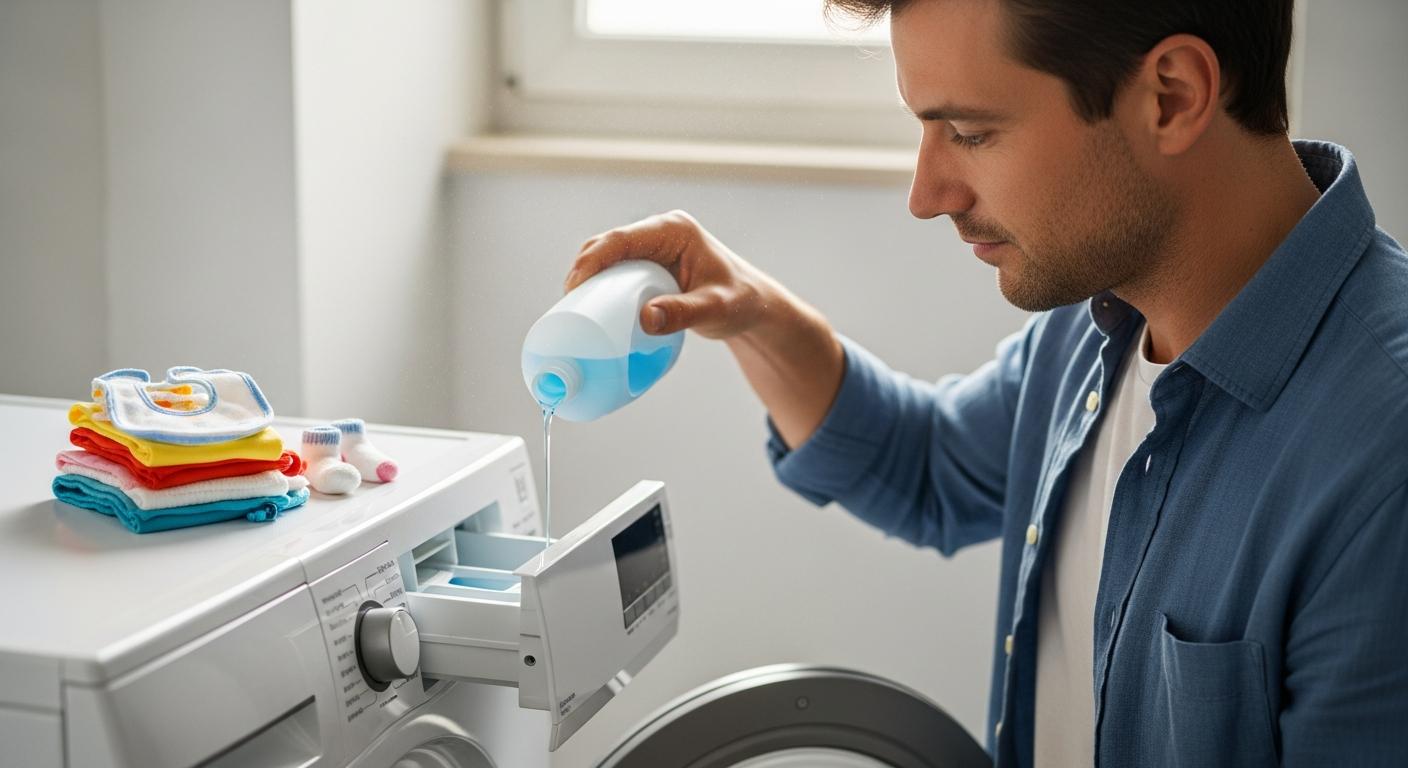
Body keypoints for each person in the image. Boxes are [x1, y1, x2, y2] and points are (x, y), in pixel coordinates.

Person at [563, 0, 1408, 765]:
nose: (927, 195)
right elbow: (925, 466)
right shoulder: (1097, 325)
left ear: (1173, 96)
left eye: (969, 133)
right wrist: (750, 315)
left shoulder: (1380, 464)